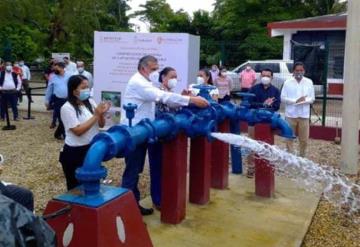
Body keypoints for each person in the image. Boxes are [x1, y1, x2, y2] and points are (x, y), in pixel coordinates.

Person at [121, 55, 209, 216]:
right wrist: (191, 100)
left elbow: (167, 99)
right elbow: (162, 97)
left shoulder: (146, 82)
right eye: (154, 69)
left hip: (143, 130)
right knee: (132, 171)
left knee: (137, 170)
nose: (156, 72)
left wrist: (186, 99)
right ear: (143, 68)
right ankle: (127, 212)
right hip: (133, 132)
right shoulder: (138, 83)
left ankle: (133, 206)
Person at [59, 75, 110, 190]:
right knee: (76, 186)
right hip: (75, 151)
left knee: (92, 182)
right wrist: (96, 115)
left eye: (88, 87)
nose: (86, 89)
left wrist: (101, 114)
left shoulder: (90, 102)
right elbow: (78, 131)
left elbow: (101, 124)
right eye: (83, 87)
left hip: (92, 148)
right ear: (74, 90)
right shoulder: (67, 108)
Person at [246, 68, 281, 178]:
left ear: (272, 78)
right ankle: (251, 168)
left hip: (268, 124)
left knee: (267, 146)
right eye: (263, 75)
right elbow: (249, 103)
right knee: (252, 144)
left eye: (268, 76)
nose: (265, 77)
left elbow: (276, 106)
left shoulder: (275, 91)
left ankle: (265, 169)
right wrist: (263, 105)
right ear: (260, 76)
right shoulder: (253, 89)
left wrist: (265, 106)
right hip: (254, 121)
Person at [281, 62, 315, 157]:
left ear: (304, 71)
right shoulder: (287, 82)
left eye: (301, 70)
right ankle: (290, 156)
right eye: (297, 70)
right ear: (293, 71)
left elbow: (312, 98)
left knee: (304, 139)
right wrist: (295, 101)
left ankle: (302, 156)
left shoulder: (309, 82)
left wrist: (304, 100)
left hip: (304, 115)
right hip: (290, 114)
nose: (299, 72)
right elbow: (283, 98)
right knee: (289, 137)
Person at [44, 61, 71, 139]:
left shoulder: (69, 75)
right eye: (54, 68)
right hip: (58, 100)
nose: (54, 70)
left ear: (62, 68)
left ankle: (58, 134)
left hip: (68, 100)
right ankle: (66, 136)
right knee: (60, 117)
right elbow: (49, 89)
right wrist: (47, 100)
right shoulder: (53, 77)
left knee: (67, 117)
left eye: (56, 68)